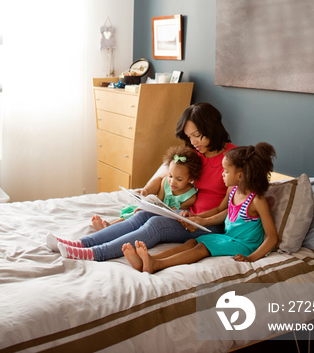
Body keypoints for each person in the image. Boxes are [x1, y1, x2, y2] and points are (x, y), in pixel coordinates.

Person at [46, 102, 235, 261]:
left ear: (211, 129)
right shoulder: (196, 154)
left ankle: (93, 253)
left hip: (211, 224)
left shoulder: (233, 158)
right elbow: (165, 177)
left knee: (156, 226)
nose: (193, 142)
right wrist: (146, 198)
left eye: (197, 135)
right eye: (189, 136)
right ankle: (80, 243)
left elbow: (236, 204)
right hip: (188, 215)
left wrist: (202, 219)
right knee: (142, 216)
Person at [123, 143, 278, 273]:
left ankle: (157, 265)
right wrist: (201, 220)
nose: (222, 175)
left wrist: (251, 258)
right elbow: (222, 212)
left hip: (245, 245)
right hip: (228, 238)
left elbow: (272, 237)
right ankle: (149, 259)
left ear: (241, 175)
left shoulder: (257, 200)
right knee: (191, 242)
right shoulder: (233, 191)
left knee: (202, 248)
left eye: (226, 171)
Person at [89, 145, 202, 230]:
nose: (172, 181)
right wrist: (147, 203)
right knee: (135, 213)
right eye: (170, 176)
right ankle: (110, 226)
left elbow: (174, 213)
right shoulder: (165, 182)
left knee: (142, 219)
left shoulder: (190, 196)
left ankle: (113, 228)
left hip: (167, 217)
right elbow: (159, 200)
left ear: (190, 179)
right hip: (158, 210)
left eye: (179, 179)